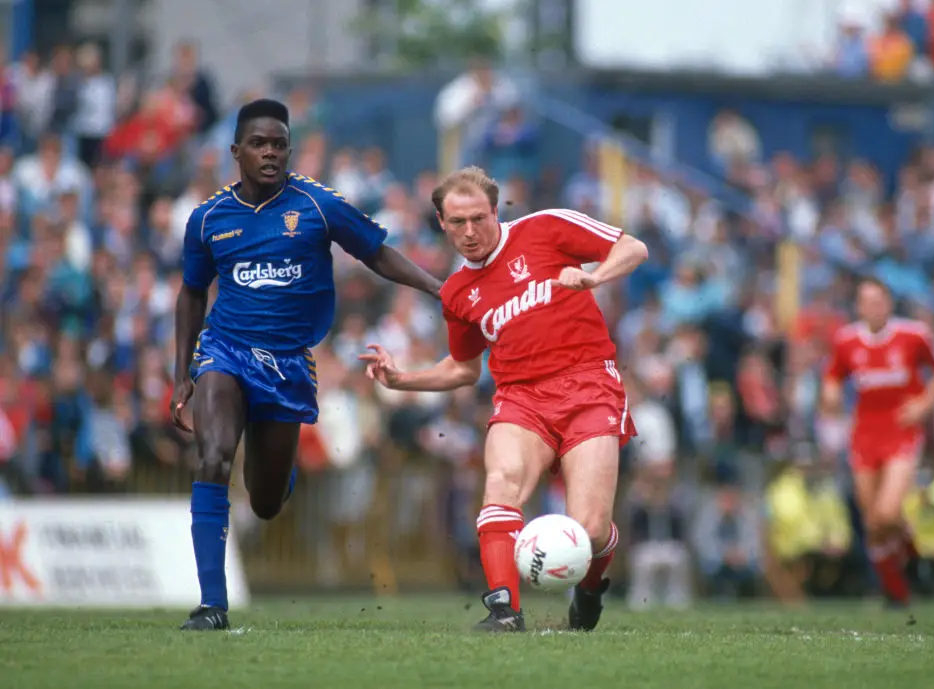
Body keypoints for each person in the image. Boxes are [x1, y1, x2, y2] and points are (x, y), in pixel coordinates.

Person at [172, 99, 442, 631]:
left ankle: (278, 475)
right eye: (258, 144)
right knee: (213, 456)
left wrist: (437, 287)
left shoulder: (318, 205)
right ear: (236, 152)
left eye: (279, 144)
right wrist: (182, 372)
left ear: (289, 149)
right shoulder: (207, 218)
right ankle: (211, 605)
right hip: (223, 350)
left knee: (268, 501)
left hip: (289, 365)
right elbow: (190, 293)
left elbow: (376, 252)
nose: (270, 153)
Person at [360, 166, 649, 632]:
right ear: (441, 222)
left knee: (592, 529)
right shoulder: (456, 293)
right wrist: (402, 379)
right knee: (500, 484)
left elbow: (633, 247)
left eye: (478, 218)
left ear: (495, 211)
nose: (470, 231)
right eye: (458, 223)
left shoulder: (546, 227)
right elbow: (464, 368)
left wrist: (596, 278)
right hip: (520, 399)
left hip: (589, 385)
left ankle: (590, 588)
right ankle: (504, 610)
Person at [821, 277, 934, 616]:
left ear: (889, 304)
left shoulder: (914, 335)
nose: (872, 308)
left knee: (887, 511)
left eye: (878, 301)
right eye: (866, 302)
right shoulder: (847, 340)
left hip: (901, 429)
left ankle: (913, 560)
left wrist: (924, 405)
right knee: (873, 521)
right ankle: (898, 590)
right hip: (864, 432)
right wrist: (830, 393)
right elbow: (834, 375)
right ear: (858, 307)